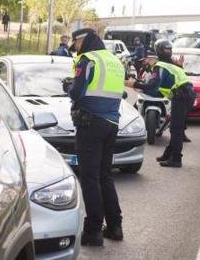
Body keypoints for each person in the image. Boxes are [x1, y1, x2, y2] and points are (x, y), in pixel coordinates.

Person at [64, 28, 125, 246]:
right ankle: (115, 226)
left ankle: (93, 231)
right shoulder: (114, 61)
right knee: (105, 175)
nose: (75, 49)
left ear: (83, 40)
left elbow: (77, 93)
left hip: (90, 123)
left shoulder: (88, 59)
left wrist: (69, 85)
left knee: (89, 177)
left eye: (76, 44)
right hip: (112, 123)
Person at [125, 39, 195, 168]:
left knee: (176, 129)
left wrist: (133, 84)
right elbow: (159, 90)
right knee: (176, 127)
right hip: (187, 94)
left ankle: (176, 159)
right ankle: (169, 153)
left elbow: (152, 86)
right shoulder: (172, 65)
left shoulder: (160, 66)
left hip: (181, 96)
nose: (148, 61)